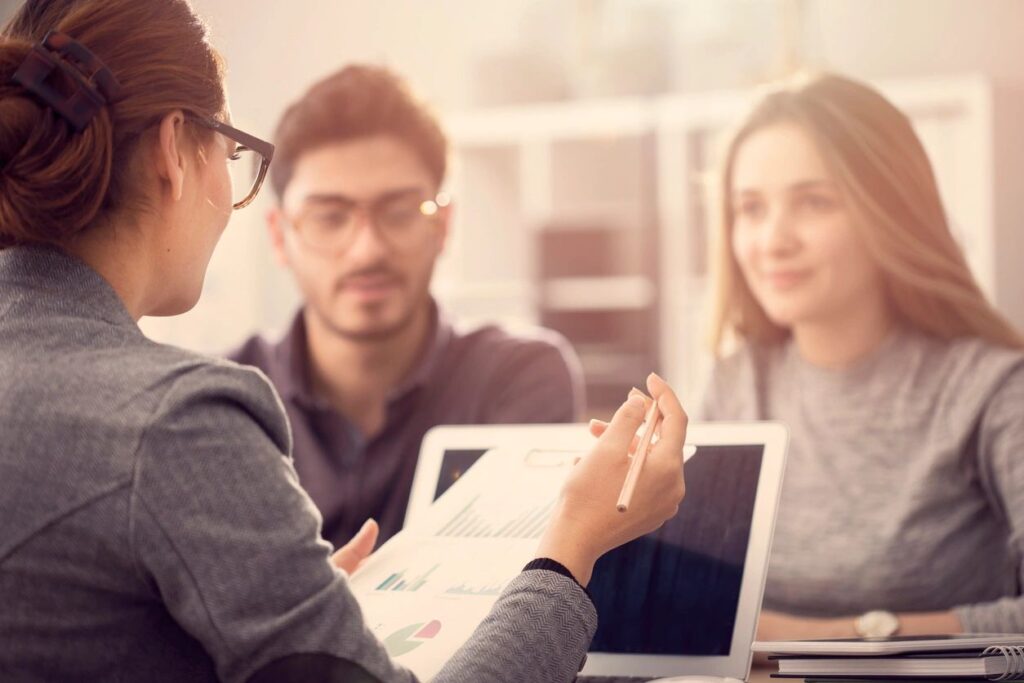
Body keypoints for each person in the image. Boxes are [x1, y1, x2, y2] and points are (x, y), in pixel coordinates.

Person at [0, 1, 687, 681]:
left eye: (396, 210)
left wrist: (289, 606)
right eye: (232, 151)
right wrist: (572, 547)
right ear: (176, 151)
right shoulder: (179, 421)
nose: (366, 249)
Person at [698, 71, 1024, 640]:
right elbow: (693, 604)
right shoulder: (736, 383)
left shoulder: (993, 392)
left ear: (891, 212)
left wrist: (843, 637)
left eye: (814, 203)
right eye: (750, 209)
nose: (773, 240)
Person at [229, 65, 584, 547]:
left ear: (443, 226)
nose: (367, 250)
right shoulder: (225, 397)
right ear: (279, 235)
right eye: (330, 217)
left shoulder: (519, 377)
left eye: (399, 212)